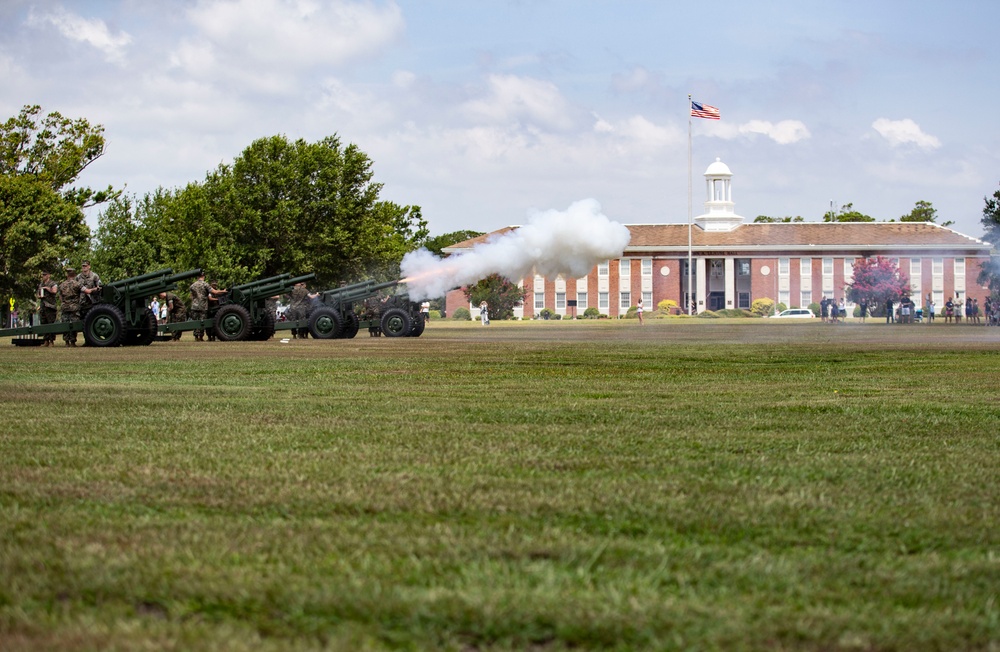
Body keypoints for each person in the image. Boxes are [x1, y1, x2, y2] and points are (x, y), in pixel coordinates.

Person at [189, 271, 226, 341]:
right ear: (204, 276)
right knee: (202, 322)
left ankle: (196, 337)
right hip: (203, 306)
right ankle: (201, 337)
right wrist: (223, 291)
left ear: (197, 277)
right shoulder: (205, 285)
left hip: (194, 306)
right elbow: (215, 292)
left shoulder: (192, 286)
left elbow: (191, 297)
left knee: (195, 322)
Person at [57, 267, 82, 346]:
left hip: (65, 307)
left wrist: (64, 302)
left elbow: (60, 297)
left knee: (65, 324)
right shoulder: (77, 284)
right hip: (74, 307)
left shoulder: (62, 285)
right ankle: (73, 342)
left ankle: (66, 342)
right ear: (74, 275)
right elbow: (82, 294)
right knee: (74, 324)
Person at [37, 270, 59, 346]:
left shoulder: (53, 283)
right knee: (44, 323)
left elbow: (54, 291)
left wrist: (47, 288)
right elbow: (38, 294)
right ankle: (46, 340)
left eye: (45, 275)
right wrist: (40, 296)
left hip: (50, 306)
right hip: (43, 306)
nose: (43, 276)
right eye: (43, 275)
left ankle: (51, 341)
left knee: (51, 324)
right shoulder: (41, 284)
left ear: (49, 275)